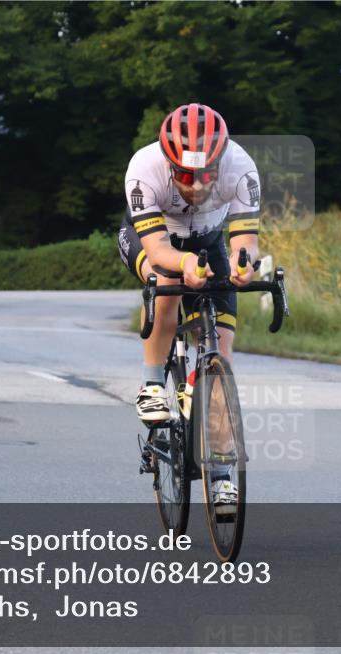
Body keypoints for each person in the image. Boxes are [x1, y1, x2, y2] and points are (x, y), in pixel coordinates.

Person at [117, 103, 260, 513]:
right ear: (168, 162)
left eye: (205, 176)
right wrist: (182, 265)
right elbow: (159, 250)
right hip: (153, 239)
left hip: (209, 241)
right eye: (183, 175)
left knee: (222, 356)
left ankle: (221, 477)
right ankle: (151, 385)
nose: (195, 186)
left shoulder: (242, 167)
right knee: (168, 283)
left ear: (221, 162)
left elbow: (245, 241)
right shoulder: (144, 167)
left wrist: (243, 265)